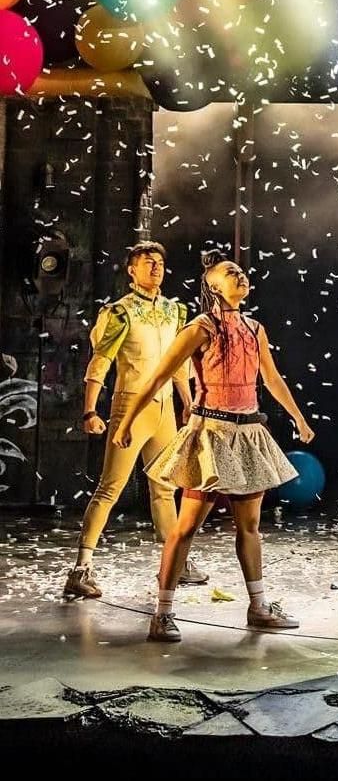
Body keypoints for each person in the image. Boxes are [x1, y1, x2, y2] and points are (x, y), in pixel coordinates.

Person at [111, 251, 315, 642]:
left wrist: (299, 418)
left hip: (248, 433)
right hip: (211, 434)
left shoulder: (254, 329)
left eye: (241, 271)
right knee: (186, 527)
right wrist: (126, 421)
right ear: (213, 286)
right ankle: (163, 612)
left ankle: (258, 606)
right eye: (231, 272)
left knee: (250, 526)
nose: (240, 275)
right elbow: (158, 377)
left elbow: (272, 379)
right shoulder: (200, 328)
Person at [63, 241, 207, 602]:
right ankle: (80, 570)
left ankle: (175, 563)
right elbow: (101, 362)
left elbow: (178, 363)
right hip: (131, 407)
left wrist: (188, 402)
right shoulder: (120, 312)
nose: (155, 268)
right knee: (110, 487)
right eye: (147, 262)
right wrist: (90, 411)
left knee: (165, 487)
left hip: (164, 408)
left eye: (159, 262)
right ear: (131, 270)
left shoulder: (174, 311)